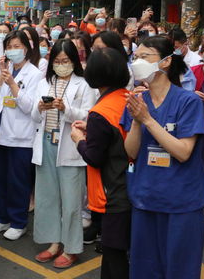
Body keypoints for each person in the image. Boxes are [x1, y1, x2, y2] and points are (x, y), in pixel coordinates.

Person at [122, 36, 204, 279]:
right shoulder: (138, 101)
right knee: (144, 269)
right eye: (135, 57)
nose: (137, 62)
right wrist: (138, 121)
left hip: (182, 203)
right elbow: (131, 152)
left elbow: (183, 152)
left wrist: (148, 119)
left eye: (144, 57)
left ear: (166, 62)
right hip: (146, 199)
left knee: (180, 270)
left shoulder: (188, 101)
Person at [31, 39, 96, 268]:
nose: (61, 65)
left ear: (74, 61)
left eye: (65, 61)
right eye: (56, 61)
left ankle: (71, 248)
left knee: (71, 201)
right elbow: (32, 115)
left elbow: (88, 116)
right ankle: (54, 243)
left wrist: (64, 109)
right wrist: (40, 108)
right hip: (47, 143)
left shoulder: (85, 84)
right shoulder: (44, 83)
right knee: (47, 198)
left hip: (70, 145)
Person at [71, 48, 132, 279]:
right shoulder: (127, 98)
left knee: (114, 257)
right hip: (131, 185)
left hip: (113, 192)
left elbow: (94, 157)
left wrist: (79, 140)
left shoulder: (99, 112)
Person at [0, 30, 44, 240]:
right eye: (9, 47)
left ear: (27, 48)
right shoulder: (6, 70)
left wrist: (12, 84)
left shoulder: (35, 74)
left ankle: (18, 222)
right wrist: (2, 75)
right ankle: (1, 218)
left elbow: (30, 108)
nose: (13, 51)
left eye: (17, 46)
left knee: (18, 181)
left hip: (21, 136)